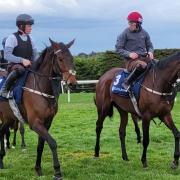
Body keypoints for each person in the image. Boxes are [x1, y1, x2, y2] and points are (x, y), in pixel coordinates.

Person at [0, 14, 39, 98]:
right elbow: (7, 55)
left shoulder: (31, 39)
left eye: (31, 26)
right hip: (14, 66)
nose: (31, 28)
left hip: (28, 66)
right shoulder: (12, 38)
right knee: (20, 69)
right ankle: (4, 90)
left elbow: (36, 56)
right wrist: (22, 60)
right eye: (29, 26)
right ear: (21, 26)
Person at [115, 11, 154, 91]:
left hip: (144, 58)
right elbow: (118, 49)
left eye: (132, 23)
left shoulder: (145, 33)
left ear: (138, 24)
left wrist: (150, 52)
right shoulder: (124, 33)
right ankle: (126, 83)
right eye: (129, 23)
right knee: (142, 65)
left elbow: (150, 46)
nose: (130, 25)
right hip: (131, 61)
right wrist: (129, 54)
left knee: (158, 64)